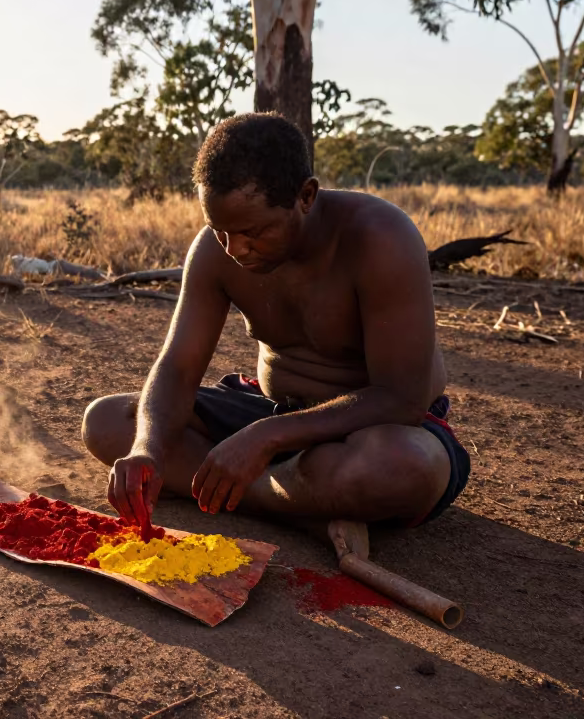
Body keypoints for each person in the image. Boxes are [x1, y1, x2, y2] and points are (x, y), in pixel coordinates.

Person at [80, 112, 470, 559]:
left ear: (306, 196)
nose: (234, 248)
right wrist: (147, 449)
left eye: (253, 231)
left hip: (373, 430)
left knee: (408, 466)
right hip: (274, 414)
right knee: (109, 421)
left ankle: (252, 488)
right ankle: (301, 508)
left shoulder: (379, 237)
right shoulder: (216, 249)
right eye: (220, 230)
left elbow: (402, 397)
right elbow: (178, 367)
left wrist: (264, 439)